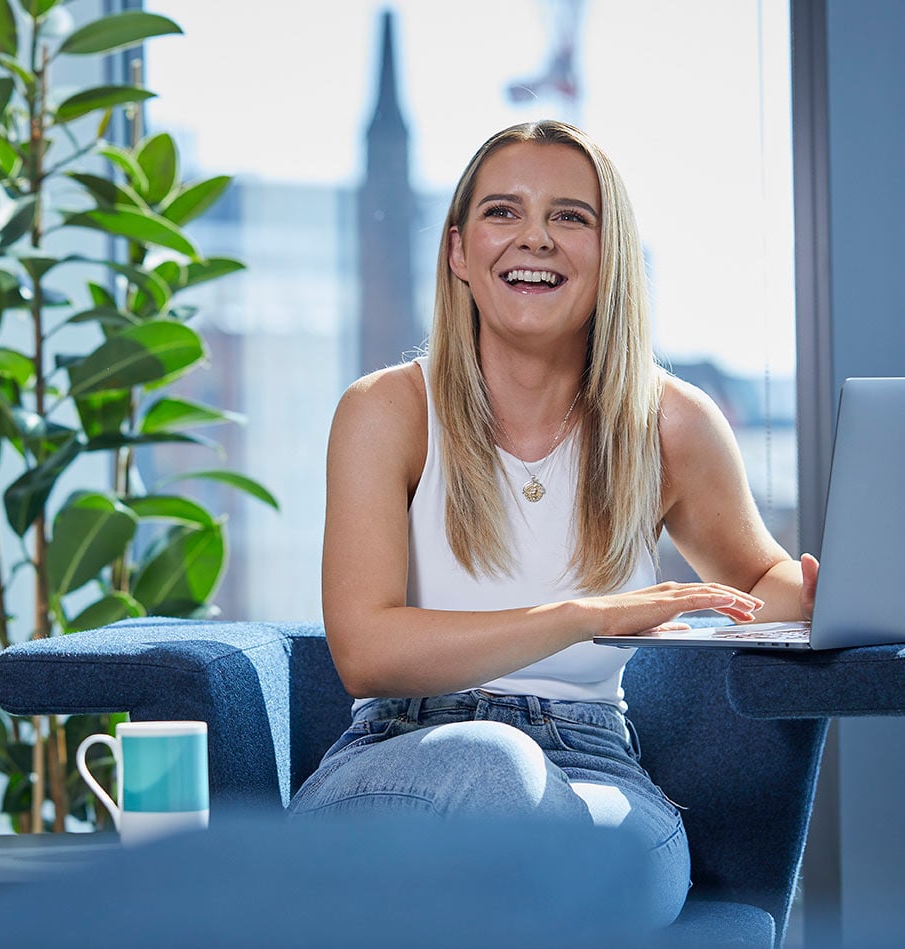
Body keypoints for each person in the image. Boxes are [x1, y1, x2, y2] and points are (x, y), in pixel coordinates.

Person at [288, 120, 818, 928]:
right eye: (504, 211)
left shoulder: (670, 422)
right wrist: (584, 615)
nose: (534, 236)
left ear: (610, 257)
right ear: (458, 253)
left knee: (584, 850)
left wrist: (812, 593)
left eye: (570, 217)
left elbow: (759, 579)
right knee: (496, 775)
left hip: (594, 766)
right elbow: (367, 653)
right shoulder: (386, 410)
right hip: (401, 754)